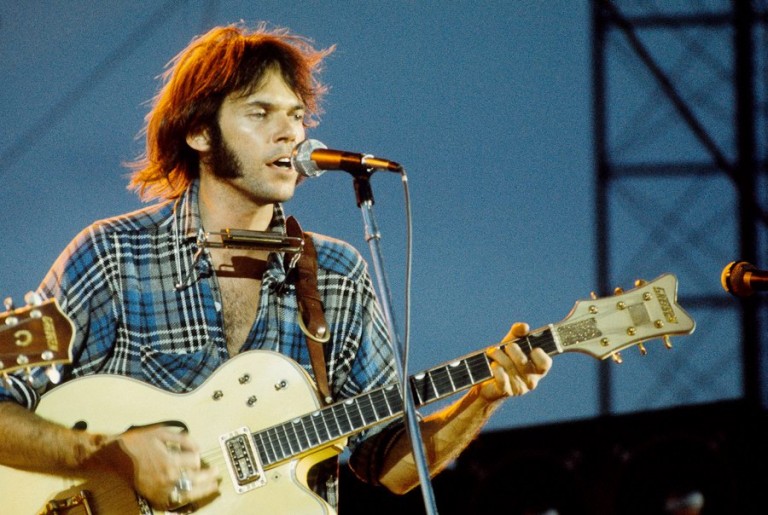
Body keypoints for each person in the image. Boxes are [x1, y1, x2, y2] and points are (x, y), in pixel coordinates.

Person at [0, 22, 552, 513]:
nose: (290, 133)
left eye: (296, 116)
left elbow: (389, 466)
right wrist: (110, 454)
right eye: (260, 113)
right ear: (199, 132)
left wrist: (483, 397)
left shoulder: (336, 274)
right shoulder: (114, 254)